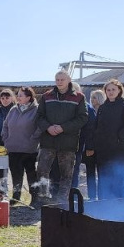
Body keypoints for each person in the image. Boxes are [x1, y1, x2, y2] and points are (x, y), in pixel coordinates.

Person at [34, 71, 88, 205]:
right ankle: (43, 198)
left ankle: (62, 201)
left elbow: (83, 118)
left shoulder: (79, 97)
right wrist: (48, 127)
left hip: (67, 143)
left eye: (62, 79)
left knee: (66, 174)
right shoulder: (47, 96)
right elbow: (39, 116)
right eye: (57, 79)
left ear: (69, 80)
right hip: (48, 141)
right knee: (42, 170)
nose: (59, 82)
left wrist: (63, 127)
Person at [92, 79, 124, 200]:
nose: (110, 92)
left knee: (119, 180)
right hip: (103, 151)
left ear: (119, 90)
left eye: (113, 89)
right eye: (108, 90)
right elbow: (97, 127)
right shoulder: (103, 107)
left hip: (119, 151)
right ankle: (104, 206)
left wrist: (120, 136)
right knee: (104, 181)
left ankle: (120, 208)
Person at [1, 86, 40, 205]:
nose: (18, 98)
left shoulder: (37, 110)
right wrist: (6, 140)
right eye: (17, 95)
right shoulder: (13, 109)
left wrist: (33, 141)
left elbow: (39, 128)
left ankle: (34, 197)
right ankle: (16, 196)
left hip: (29, 150)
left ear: (29, 97)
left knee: (31, 175)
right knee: (15, 174)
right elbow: (5, 126)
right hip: (13, 148)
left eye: (21, 95)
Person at [81, 90, 105, 200]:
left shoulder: (104, 112)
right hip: (89, 147)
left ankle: (101, 196)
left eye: (95, 97)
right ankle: (91, 196)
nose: (92, 100)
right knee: (90, 174)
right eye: (91, 97)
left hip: (100, 148)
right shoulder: (89, 111)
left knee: (101, 174)